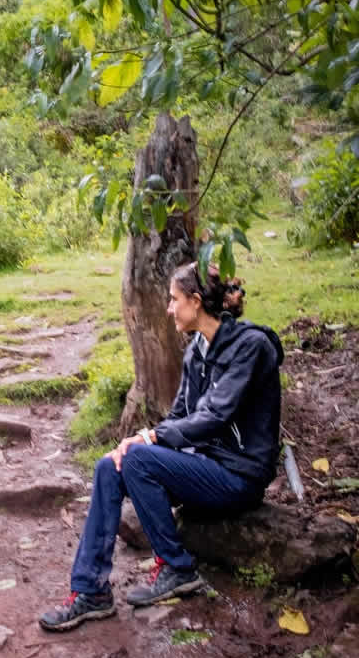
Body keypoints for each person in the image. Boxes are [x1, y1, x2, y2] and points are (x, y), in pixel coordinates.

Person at [39, 262, 284, 632]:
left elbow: (215, 416)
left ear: (196, 302)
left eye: (173, 299)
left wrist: (150, 439)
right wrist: (146, 435)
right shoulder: (196, 350)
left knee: (137, 458)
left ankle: (177, 567)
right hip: (205, 465)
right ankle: (91, 591)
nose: (169, 308)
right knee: (112, 465)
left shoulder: (252, 346)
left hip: (239, 474)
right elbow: (182, 415)